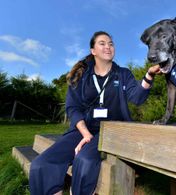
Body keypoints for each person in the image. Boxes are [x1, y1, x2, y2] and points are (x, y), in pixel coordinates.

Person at [29, 31, 161, 195]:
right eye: (102, 43)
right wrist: (85, 134)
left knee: (84, 160)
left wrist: (149, 75)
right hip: (82, 129)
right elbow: (72, 108)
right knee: (41, 164)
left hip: (112, 132)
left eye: (111, 43)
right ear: (93, 51)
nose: (108, 46)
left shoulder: (123, 74)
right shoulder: (81, 76)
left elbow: (138, 97)